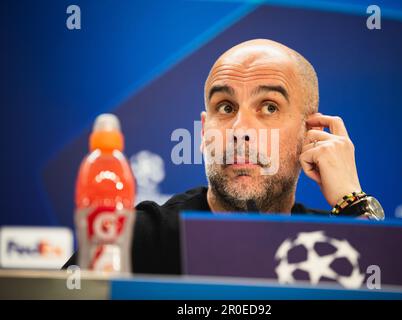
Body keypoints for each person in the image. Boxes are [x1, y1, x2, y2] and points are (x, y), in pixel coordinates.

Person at [63, 39, 383, 274]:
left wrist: (352, 203)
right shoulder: (137, 241)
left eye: (269, 107)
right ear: (204, 132)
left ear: (310, 131)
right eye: (226, 108)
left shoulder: (335, 245)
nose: (240, 129)